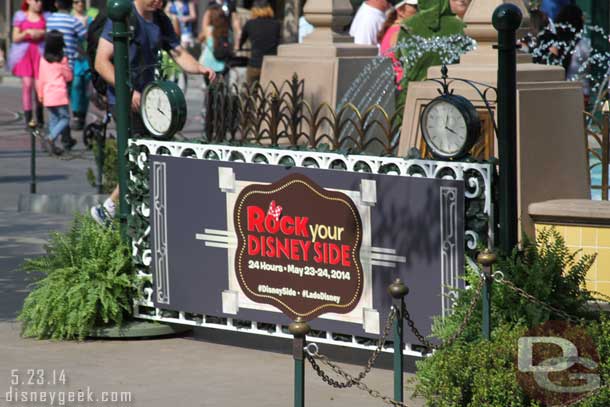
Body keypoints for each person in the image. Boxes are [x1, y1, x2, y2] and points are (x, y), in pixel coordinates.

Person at [90, 0, 215, 224]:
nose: (160, 2)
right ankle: (113, 209)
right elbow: (101, 62)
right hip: (124, 100)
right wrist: (128, 91)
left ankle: (125, 210)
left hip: (150, 99)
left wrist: (199, 68)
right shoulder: (124, 15)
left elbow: (178, 52)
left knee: (153, 154)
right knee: (142, 156)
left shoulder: (159, 18)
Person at [46, 0, 87, 150]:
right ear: (71, 6)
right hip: (66, 66)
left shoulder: (50, 19)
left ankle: (63, 137)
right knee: (63, 106)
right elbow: (84, 36)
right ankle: (61, 137)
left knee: (54, 108)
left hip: (49, 65)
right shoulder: (73, 21)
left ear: (56, 4)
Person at [7, 0, 46, 127]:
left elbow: (50, 34)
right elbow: (15, 37)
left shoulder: (45, 17)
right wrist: (27, 33)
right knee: (27, 85)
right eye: (36, 1)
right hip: (24, 54)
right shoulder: (20, 16)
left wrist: (41, 33)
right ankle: (29, 118)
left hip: (39, 54)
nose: (39, 3)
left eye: (40, 1)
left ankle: (40, 118)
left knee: (39, 87)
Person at [36, 30, 72, 156]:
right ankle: (50, 138)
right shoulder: (62, 60)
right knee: (65, 119)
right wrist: (65, 69)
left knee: (53, 119)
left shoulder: (43, 60)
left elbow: (41, 79)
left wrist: (40, 94)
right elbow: (68, 77)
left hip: (47, 94)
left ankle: (52, 146)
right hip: (59, 94)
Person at [239, 0, 280, 85]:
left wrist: (239, 47)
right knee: (270, 92)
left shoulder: (250, 24)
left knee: (251, 92)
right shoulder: (276, 24)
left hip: (255, 64)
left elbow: (241, 40)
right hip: (271, 65)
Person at [378, 0, 418, 88]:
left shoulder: (393, 28)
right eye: (415, 6)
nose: (420, 9)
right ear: (400, 10)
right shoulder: (401, 32)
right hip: (402, 89)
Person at [70, 0, 92, 130]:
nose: (80, 4)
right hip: (76, 58)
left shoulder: (89, 19)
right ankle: (76, 114)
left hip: (87, 58)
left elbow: (92, 37)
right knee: (76, 85)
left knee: (87, 87)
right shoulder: (71, 19)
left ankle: (83, 114)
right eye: (76, 2)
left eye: (81, 2)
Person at [198, 5, 230, 79]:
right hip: (222, 63)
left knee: (209, 88)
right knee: (220, 86)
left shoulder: (208, 30)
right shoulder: (227, 31)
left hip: (207, 64)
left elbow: (199, 39)